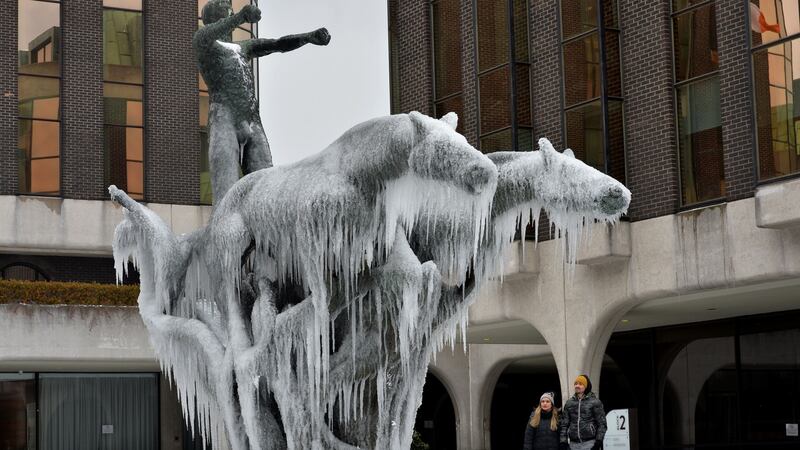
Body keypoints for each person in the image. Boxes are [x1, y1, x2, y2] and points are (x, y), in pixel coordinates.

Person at [194, 0, 331, 202]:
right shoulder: (203, 41)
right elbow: (210, 34)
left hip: (251, 118)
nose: (230, 9)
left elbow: (277, 44)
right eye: (226, 9)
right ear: (215, 17)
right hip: (223, 117)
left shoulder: (243, 47)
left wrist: (308, 37)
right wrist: (241, 17)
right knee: (225, 189)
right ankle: (222, 228)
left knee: (265, 186)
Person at [560, 375, 607, 450]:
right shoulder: (569, 403)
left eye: (580, 384)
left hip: (590, 443)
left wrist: (598, 442)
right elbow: (564, 424)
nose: (577, 386)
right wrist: (563, 442)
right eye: (576, 383)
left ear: (586, 386)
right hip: (573, 444)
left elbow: (602, 424)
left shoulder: (595, 402)